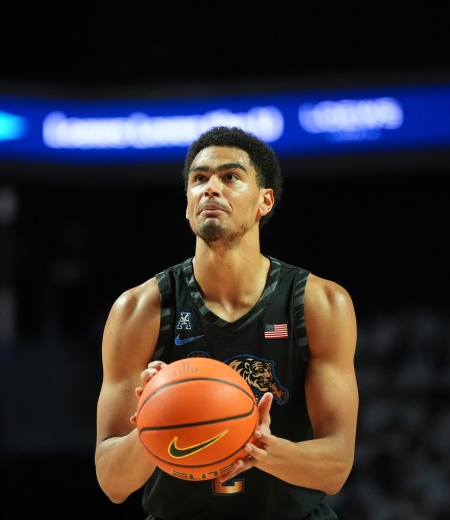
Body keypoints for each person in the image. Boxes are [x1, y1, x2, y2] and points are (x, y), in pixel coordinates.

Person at [95, 125, 359, 519]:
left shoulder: (320, 303)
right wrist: (156, 418)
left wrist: (258, 447)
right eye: (199, 179)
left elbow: (336, 467)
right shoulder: (138, 309)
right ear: (186, 204)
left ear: (264, 201)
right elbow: (112, 483)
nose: (210, 188)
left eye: (230, 177)